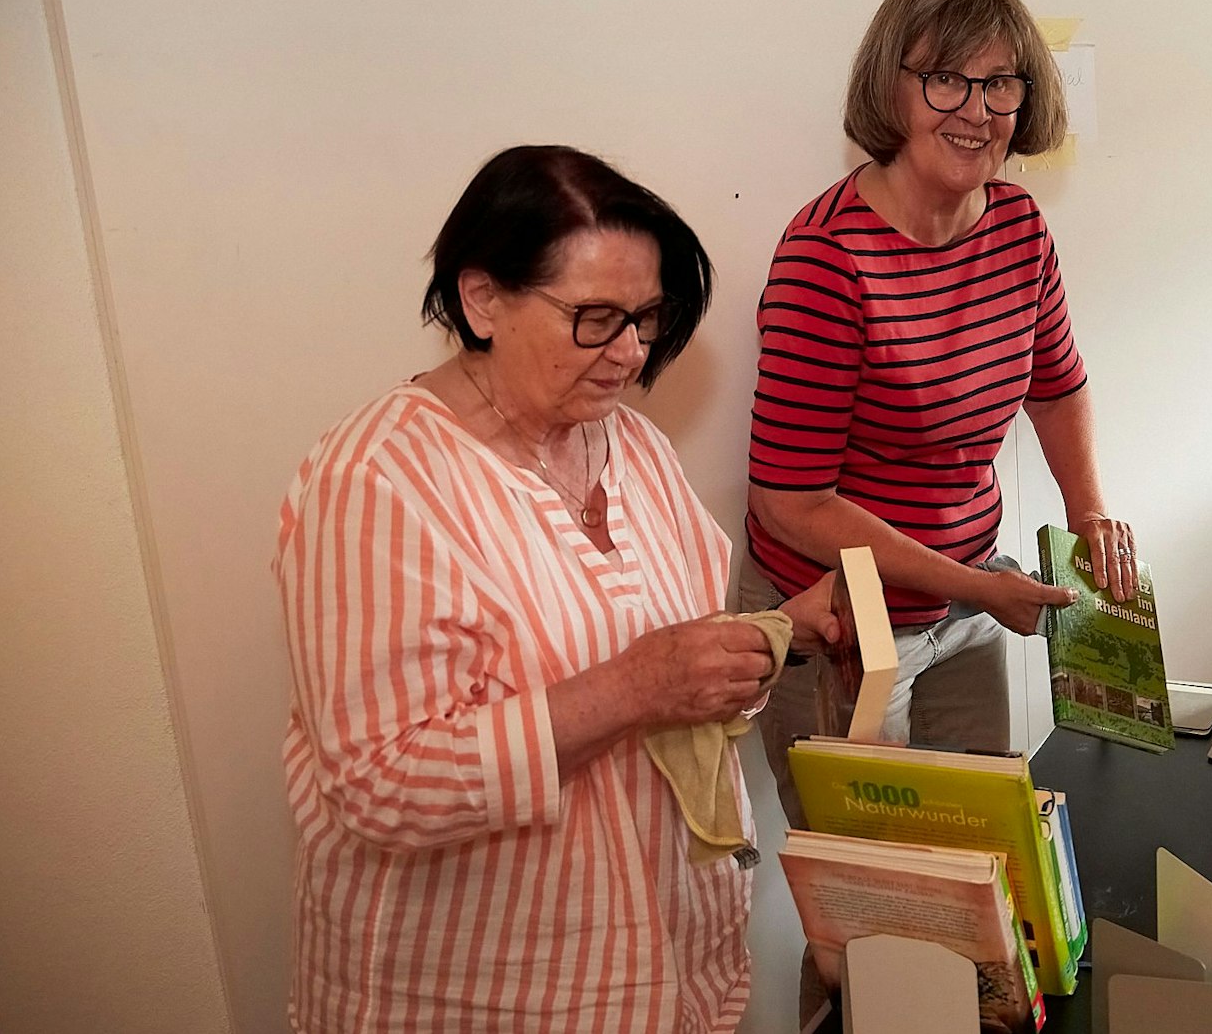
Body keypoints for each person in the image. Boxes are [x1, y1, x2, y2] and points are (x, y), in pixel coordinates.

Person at [276, 145, 833, 1033]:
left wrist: (773, 637)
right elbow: (381, 782)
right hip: (483, 997)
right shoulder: (378, 480)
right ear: (482, 299)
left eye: (645, 318)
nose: (629, 352)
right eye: (595, 318)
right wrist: (635, 686)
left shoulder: (633, 446)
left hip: (669, 978)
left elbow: (672, 657)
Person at [745, 0, 1137, 822]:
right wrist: (975, 583)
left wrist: (1089, 513)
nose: (977, 109)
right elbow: (790, 503)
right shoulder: (826, 258)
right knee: (875, 882)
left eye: (1000, 83)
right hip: (842, 620)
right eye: (945, 79)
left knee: (982, 851)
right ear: (888, 87)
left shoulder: (1020, 226)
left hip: (965, 602)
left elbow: (1057, 389)